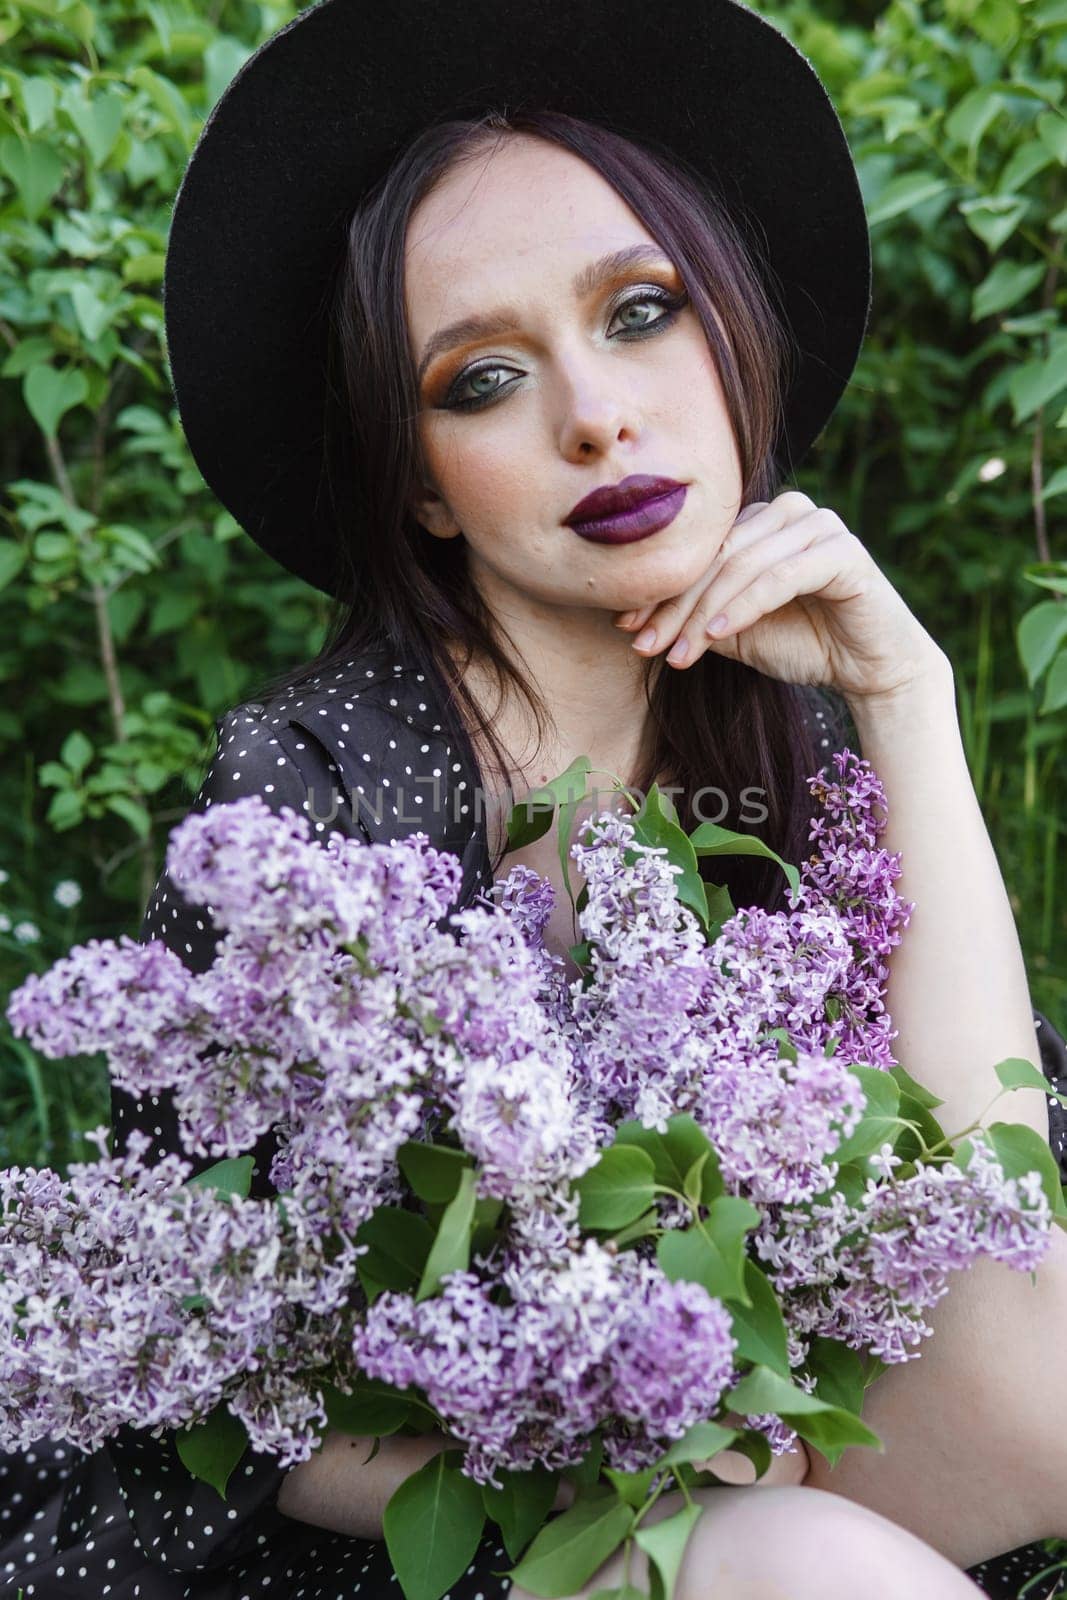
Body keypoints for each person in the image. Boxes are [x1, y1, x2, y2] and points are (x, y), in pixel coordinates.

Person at [2, 2, 1066, 1596]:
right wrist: (640, 1450)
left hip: (767, 1441)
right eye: (485, 377)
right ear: (423, 480)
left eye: (641, 312)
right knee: (813, 1564)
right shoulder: (318, 805)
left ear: (733, 336)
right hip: (446, 1522)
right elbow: (237, 1383)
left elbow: (995, 1250)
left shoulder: (777, 738)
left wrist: (908, 701)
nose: (593, 413)